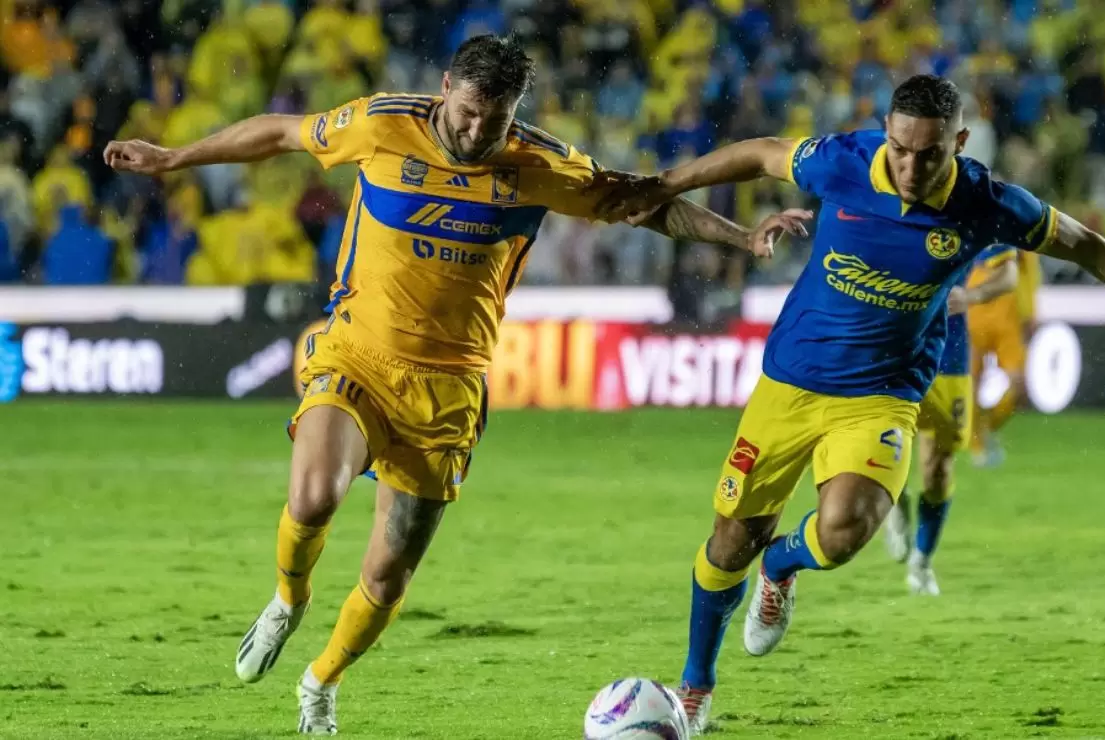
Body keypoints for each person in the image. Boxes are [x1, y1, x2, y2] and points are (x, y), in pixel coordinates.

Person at [104, 34, 808, 735]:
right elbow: (283, 133)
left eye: (494, 120)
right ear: (446, 87)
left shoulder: (539, 163)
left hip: (448, 391)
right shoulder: (380, 124)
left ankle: (321, 682)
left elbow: (644, 204)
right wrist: (175, 157)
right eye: (468, 112)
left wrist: (743, 239)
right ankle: (289, 600)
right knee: (313, 497)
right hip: (356, 355)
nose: (477, 132)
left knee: (387, 576)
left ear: (515, 111)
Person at [590, 74, 1105, 733]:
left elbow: (1087, 244)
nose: (909, 166)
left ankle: (781, 565)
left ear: (958, 143)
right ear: (886, 134)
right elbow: (760, 153)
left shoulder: (987, 203)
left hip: (881, 396)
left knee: (844, 533)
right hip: (790, 384)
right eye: (899, 149)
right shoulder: (844, 161)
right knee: (730, 544)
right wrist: (665, 185)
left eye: (928, 154)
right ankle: (695, 685)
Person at [882, 244, 1019, 595]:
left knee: (938, 467)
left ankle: (922, 561)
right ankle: (893, 503)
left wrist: (971, 295)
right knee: (887, 451)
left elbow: (1009, 274)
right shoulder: (880, 213)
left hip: (947, 357)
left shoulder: (969, 216)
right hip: (888, 351)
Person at [968, 248, 1041, 465]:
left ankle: (988, 427)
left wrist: (1031, 313)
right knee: (970, 384)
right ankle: (977, 445)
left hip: (1009, 319)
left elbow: (1030, 273)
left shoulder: (1022, 235)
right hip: (973, 313)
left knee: (1019, 387)